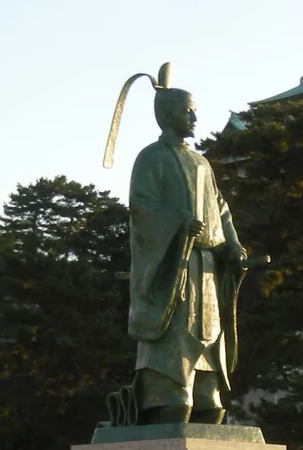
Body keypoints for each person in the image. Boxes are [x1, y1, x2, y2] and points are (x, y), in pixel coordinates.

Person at [104, 66, 250, 425]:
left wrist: (233, 247)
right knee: (173, 402)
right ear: (167, 116)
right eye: (187, 110)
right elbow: (142, 207)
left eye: (194, 110)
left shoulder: (201, 163)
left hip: (207, 274)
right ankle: (165, 391)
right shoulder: (151, 158)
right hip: (174, 270)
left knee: (210, 405)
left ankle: (205, 389)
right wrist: (180, 224)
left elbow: (221, 209)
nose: (195, 117)